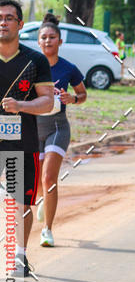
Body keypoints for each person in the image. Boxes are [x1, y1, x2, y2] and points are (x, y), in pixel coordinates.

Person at [0, 0, 54, 276]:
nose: (3, 22)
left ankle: (19, 256)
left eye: (9, 18)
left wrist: (21, 106)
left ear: (20, 24)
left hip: (22, 142)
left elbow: (47, 102)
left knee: (20, 201)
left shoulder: (35, 60)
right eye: (0, 18)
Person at [34, 13, 87, 247]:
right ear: (38, 42)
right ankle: (43, 199)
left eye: (52, 37)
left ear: (60, 41)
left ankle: (47, 230)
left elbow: (83, 94)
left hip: (57, 127)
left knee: (49, 177)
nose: (48, 41)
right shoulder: (30, 67)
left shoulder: (68, 68)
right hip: (33, 128)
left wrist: (72, 98)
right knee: (36, 183)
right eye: (43, 37)